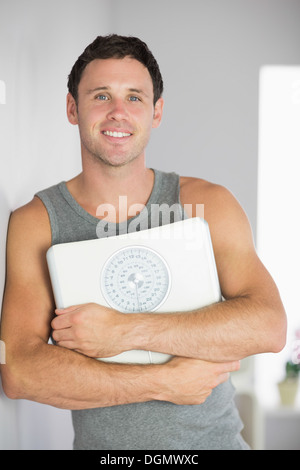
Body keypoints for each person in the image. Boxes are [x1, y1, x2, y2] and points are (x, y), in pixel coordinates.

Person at [0, 34, 286, 450]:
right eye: (101, 95)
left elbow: (269, 326)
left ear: (157, 112)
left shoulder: (206, 204)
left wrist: (124, 331)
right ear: (71, 108)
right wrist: (162, 382)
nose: (118, 112)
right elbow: (19, 371)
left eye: (134, 98)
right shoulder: (36, 223)